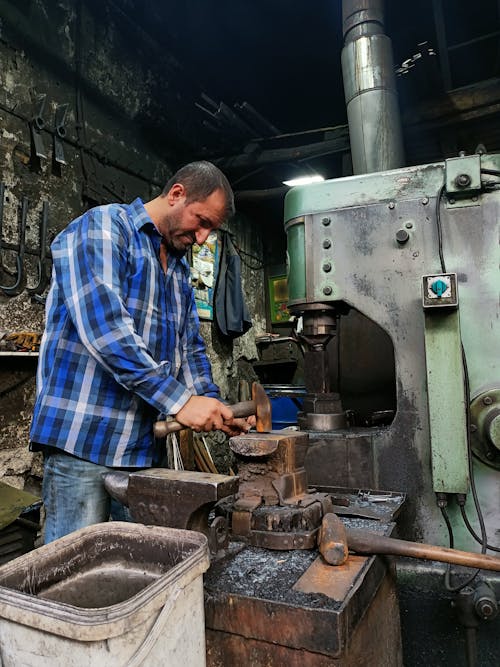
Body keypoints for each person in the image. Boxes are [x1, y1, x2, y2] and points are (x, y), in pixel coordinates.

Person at [30, 161, 252, 543]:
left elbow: (190, 348)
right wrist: (182, 402)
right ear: (177, 194)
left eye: (211, 230)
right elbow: (107, 333)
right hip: (84, 446)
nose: (202, 238)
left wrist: (212, 405)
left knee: (136, 573)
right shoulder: (103, 228)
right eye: (201, 222)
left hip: (142, 452)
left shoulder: (180, 272)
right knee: (75, 577)